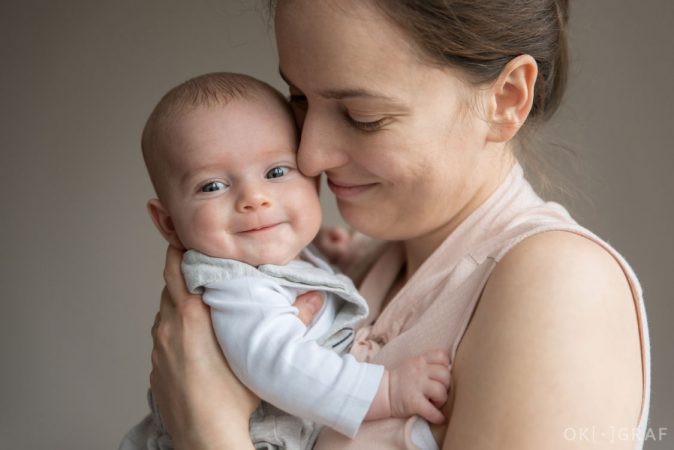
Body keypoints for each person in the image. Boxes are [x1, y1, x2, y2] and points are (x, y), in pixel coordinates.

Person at [148, 1, 651, 449]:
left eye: (361, 115)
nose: (308, 154)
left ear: (507, 99)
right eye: (298, 99)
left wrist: (206, 429)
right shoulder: (349, 268)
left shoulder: (560, 287)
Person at [120, 72, 451, 450]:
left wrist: (321, 253)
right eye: (212, 186)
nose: (254, 198)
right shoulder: (237, 287)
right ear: (168, 222)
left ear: (313, 182)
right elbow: (279, 365)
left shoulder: (261, 257)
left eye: (276, 172)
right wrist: (386, 390)